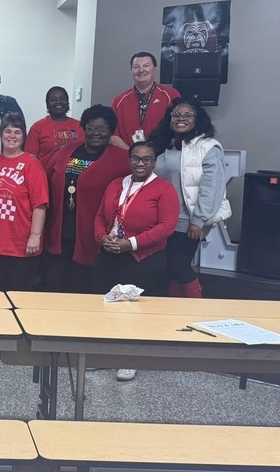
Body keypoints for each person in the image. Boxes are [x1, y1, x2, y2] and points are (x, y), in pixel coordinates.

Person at [92, 141, 178, 382]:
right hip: (110, 253)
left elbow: (167, 226)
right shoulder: (115, 184)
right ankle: (102, 355)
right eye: (136, 158)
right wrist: (102, 238)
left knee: (133, 310)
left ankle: (129, 359)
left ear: (154, 162)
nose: (141, 163)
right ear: (129, 160)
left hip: (142, 258)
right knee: (104, 305)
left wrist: (131, 243)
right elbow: (99, 216)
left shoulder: (164, 189)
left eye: (147, 159)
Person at [42, 105, 129, 293]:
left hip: (93, 235)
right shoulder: (66, 151)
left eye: (102, 128)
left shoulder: (121, 158)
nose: (96, 133)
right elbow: (44, 177)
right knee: (55, 287)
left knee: (83, 289)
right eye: (91, 128)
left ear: (111, 131)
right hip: (60, 231)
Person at [150, 98, 230, 298]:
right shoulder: (163, 144)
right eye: (176, 114)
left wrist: (198, 220)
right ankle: (173, 308)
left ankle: (196, 305)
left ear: (197, 119)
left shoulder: (208, 147)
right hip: (161, 219)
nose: (181, 118)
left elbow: (212, 186)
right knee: (165, 268)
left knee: (178, 266)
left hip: (188, 220)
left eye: (188, 115)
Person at [0, 113, 48, 291]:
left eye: (17, 132)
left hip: (20, 246)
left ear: (23, 136)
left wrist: (35, 236)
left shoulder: (32, 164)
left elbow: (40, 205)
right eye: (8, 131)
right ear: (1, 134)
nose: (12, 136)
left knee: (19, 297)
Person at [110, 52, 181, 149]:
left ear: (155, 69)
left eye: (146, 66)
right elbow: (113, 135)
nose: (141, 70)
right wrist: (133, 153)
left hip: (163, 155)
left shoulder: (171, 95)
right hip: (127, 155)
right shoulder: (118, 101)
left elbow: (180, 128)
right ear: (131, 70)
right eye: (136, 67)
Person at [25, 86, 82, 167]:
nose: (58, 102)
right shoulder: (37, 128)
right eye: (53, 100)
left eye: (62, 99)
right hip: (46, 174)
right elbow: (30, 160)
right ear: (47, 104)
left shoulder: (80, 126)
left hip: (75, 173)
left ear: (67, 102)